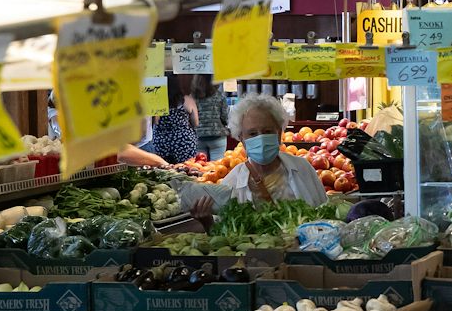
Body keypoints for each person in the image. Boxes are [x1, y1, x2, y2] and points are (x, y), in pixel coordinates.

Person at [188, 92, 326, 220]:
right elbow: (225, 236)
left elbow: (324, 213)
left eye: (267, 131)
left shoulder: (302, 169)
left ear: (279, 134)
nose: (261, 138)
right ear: (242, 139)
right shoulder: (232, 183)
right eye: (252, 133)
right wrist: (207, 221)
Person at [120, 74, 200, 167]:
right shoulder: (186, 99)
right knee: (187, 170)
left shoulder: (157, 98)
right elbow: (196, 122)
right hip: (183, 141)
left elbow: (156, 120)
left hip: (161, 141)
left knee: (163, 173)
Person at [194, 77, 229, 160]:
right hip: (217, 136)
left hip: (198, 137)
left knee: (199, 166)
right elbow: (225, 117)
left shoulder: (193, 96)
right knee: (216, 167)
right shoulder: (220, 96)